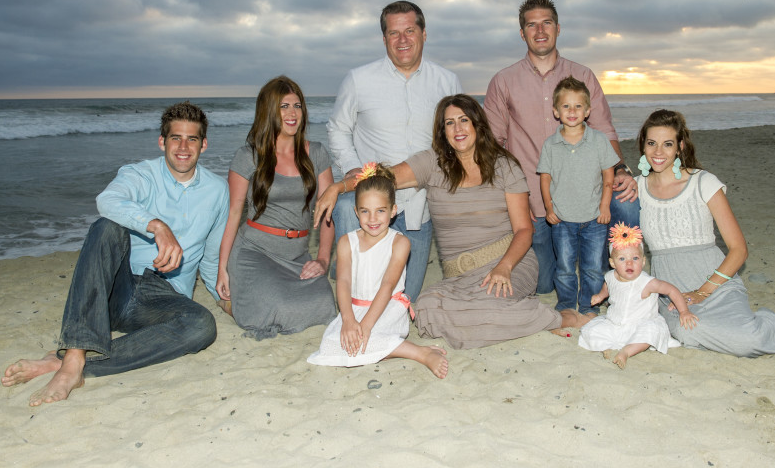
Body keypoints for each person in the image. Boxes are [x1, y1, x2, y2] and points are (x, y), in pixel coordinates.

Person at [316, 95, 589, 350]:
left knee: (483, 309)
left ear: (477, 125)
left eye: (463, 120)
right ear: (443, 131)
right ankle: (523, 317)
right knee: (424, 308)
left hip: (509, 262)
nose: (457, 128)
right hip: (458, 275)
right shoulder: (432, 164)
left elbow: (523, 230)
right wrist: (338, 187)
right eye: (449, 122)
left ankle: (563, 319)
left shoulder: (504, 166)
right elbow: (379, 175)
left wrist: (504, 268)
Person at [1, 101, 229, 406]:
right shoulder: (140, 174)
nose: (183, 147)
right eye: (176, 138)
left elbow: (212, 259)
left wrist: (228, 303)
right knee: (108, 226)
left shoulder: (217, 190)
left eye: (192, 139)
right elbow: (108, 200)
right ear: (162, 141)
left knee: (202, 326)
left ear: (204, 144)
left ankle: (68, 362)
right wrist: (157, 226)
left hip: (163, 299)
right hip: (114, 288)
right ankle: (75, 356)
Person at [635, 109, 775, 356]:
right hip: (670, 287)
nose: (658, 152)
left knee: (748, 341)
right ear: (643, 145)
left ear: (680, 146)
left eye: (667, 144)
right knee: (688, 331)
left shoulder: (704, 183)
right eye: (652, 143)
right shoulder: (636, 188)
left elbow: (739, 249)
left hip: (715, 282)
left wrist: (703, 291)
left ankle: (769, 321)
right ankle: (752, 321)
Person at [485, 0, 638, 296]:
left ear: (558, 28)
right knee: (544, 285)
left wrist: (620, 169)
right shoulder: (503, 81)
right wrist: (514, 196)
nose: (540, 31)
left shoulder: (583, 76)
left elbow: (603, 128)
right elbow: (493, 146)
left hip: (588, 193)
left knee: (626, 200)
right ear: (522, 33)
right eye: (532, 25)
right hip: (534, 200)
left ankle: (621, 280)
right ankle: (571, 257)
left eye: (547, 23)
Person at [326, 0, 462, 302]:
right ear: (384, 38)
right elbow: (338, 128)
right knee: (362, 292)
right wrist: (351, 168)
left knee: (403, 300)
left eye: (410, 31)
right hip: (367, 203)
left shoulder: (447, 82)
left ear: (424, 34)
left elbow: (457, 138)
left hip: (418, 206)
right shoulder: (359, 79)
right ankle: (347, 273)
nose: (402, 40)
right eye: (393, 33)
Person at [216, 76, 336, 339]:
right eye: (284, 106)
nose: (293, 113)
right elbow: (234, 214)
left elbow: (327, 215)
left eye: (298, 106)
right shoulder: (248, 156)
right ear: (269, 110)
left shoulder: (316, 153)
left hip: (297, 256)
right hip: (256, 252)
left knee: (326, 304)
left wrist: (323, 260)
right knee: (281, 306)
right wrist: (222, 268)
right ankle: (231, 303)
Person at [307, 164, 449, 378]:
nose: (372, 219)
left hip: (385, 309)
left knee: (365, 340)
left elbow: (387, 285)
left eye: (380, 211)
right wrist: (348, 320)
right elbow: (343, 283)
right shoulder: (347, 242)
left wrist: (366, 325)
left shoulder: (399, 243)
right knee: (330, 346)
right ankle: (393, 347)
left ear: (393, 210)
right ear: (356, 212)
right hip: (354, 309)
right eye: (365, 211)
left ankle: (420, 353)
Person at [537, 76, 618, 315]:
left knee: (592, 268)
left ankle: (589, 305)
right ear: (555, 111)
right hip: (562, 220)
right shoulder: (551, 145)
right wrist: (549, 209)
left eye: (578, 106)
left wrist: (605, 207)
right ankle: (565, 305)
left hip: (594, 218)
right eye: (565, 106)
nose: (572, 111)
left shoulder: (599, 140)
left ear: (588, 110)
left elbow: (608, 175)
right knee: (564, 268)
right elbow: (545, 178)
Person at [578, 223, 697, 369]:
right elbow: (608, 286)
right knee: (591, 331)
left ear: (643, 261)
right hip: (615, 323)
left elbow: (671, 290)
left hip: (641, 323)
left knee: (650, 333)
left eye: (635, 258)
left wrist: (684, 311)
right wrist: (600, 296)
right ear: (612, 263)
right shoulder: (610, 276)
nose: (629, 263)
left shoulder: (647, 283)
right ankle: (607, 346)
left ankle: (626, 352)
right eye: (622, 259)